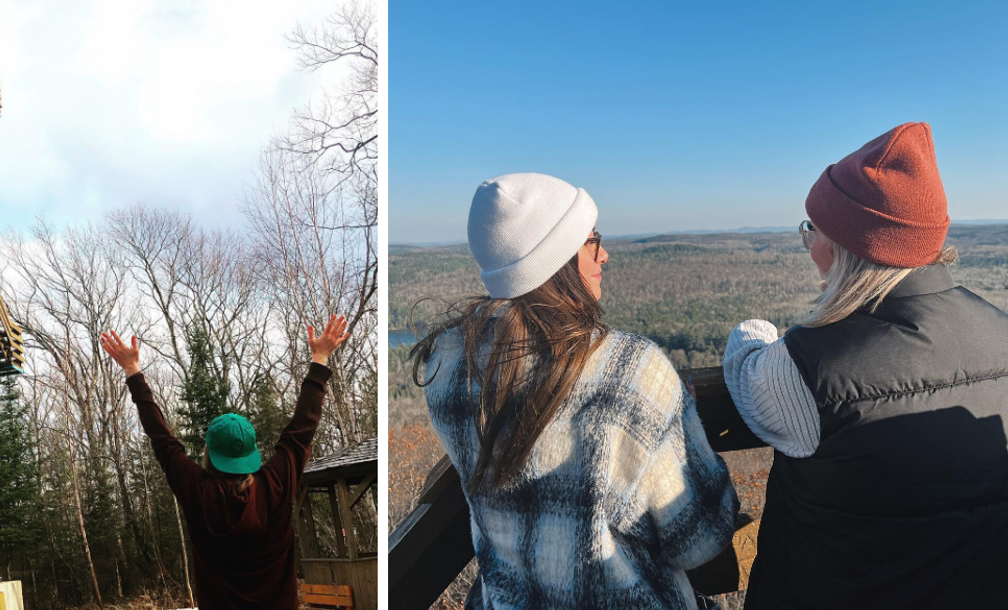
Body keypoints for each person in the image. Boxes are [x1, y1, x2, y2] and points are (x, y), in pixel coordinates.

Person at [413, 172, 738, 610]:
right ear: (556, 259)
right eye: (591, 240)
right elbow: (699, 538)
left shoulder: (448, 364)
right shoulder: (632, 373)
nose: (604, 254)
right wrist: (673, 419)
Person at [722, 122, 1008, 609]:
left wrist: (757, 331)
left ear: (843, 250)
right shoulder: (999, 328)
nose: (809, 243)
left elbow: (744, 368)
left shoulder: (806, 365)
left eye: (812, 230)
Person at [100, 315, 350, 610]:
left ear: (210, 453)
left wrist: (132, 370)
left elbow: (163, 440)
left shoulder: (198, 491)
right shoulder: (275, 484)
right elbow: (301, 431)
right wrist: (319, 359)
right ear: (252, 452)